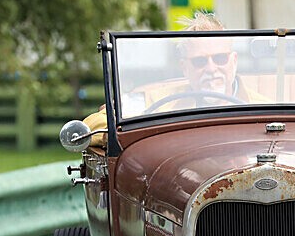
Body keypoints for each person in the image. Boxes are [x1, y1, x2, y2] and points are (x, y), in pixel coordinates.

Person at [83, 12, 266, 146]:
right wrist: (132, 126)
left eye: (220, 59)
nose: (211, 68)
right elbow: (91, 125)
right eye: (200, 61)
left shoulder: (262, 106)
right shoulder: (159, 102)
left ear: (233, 61)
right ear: (185, 68)